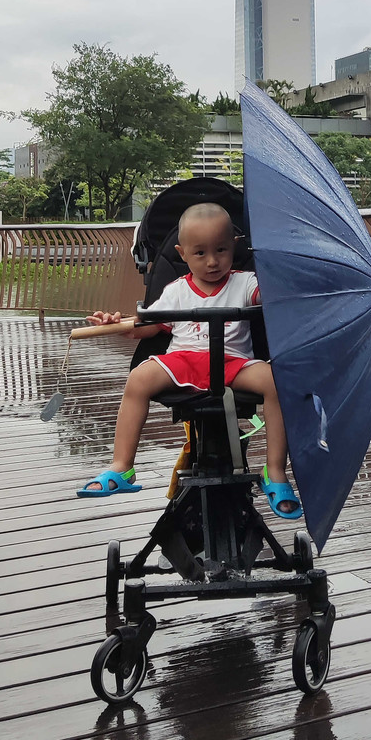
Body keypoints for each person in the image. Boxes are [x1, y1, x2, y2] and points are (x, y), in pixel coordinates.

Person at [76, 201, 303, 518]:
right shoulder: (176, 290)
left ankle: (275, 470)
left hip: (231, 363)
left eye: (221, 250)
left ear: (234, 247)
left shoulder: (246, 283)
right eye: (200, 253)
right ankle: (122, 467)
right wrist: (117, 324)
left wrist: (281, 272)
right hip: (183, 360)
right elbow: (148, 327)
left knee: (276, 382)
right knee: (139, 378)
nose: (212, 262)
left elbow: (272, 296)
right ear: (182, 254)